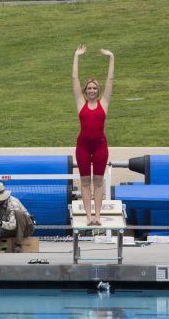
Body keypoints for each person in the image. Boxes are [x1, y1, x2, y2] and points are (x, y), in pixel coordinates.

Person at [72, 45, 114, 226]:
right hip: (82, 146)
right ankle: (88, 217)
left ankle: (98, 216)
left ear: (98, 90)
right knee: (85, 181)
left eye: (94, 88)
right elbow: (74, 78)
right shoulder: (80, 102)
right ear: (85, 90)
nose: (91, 90)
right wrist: (76, 56)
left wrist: (111, 57)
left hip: (100, 146)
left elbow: (111, 79)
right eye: (89, 88)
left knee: (98, 180)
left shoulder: (103, 103)